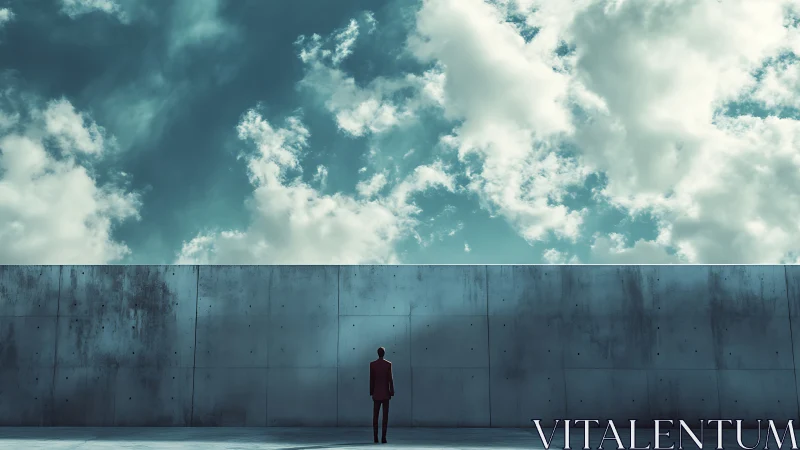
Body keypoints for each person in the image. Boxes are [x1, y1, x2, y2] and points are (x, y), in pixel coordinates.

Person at [369, 346, 394, 444]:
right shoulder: (388, 364)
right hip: (385, 394)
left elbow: (371, 380)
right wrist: (391, 391)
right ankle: (384, 437)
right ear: (383, 354)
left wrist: (371, 392)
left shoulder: (373, 364)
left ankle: (375, 436)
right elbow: (390, 379)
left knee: (375, 416)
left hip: (376, 393)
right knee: (385, 417)